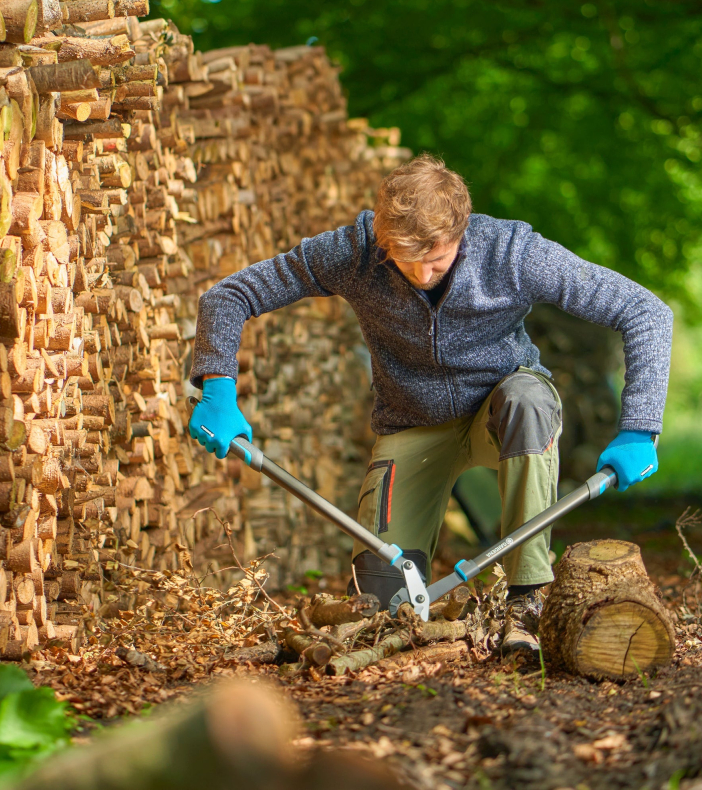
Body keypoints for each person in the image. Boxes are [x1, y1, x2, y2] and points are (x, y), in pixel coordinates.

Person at [188, 154, 673, 653]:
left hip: (500, 413)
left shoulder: (511, 252)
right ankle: (397, 608)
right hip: (411, 424)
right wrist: (218, 388)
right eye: (405, 257)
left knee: (528, 400)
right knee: (380, 608)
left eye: (436, 259)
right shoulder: (355, 251)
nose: (421, 272)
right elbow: (231, 295)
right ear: (382, 237)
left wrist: (640, 426)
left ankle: (526, 600)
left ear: (462, 232)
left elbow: (644, 310)